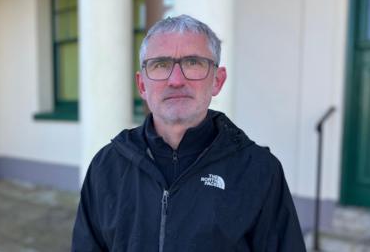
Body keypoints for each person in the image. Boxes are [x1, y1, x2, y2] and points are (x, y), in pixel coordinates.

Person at [71, 14, 306, 252]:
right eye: (160, 65)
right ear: (142, 85)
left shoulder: (259, 170)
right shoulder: (107, 166)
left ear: (217, 80)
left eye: (193, 63)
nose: (175, 80)